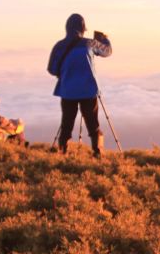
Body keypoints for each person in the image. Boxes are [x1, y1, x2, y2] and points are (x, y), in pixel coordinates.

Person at [47, 13, 113, 156]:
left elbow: (52, 69)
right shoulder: (90, 43)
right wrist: (104, 39)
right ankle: (98, 152)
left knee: (66, 124)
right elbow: (107, 51)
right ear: (82, 28)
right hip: (88, 90)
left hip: (67, 91)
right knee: (93, 124)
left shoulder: (59, 46)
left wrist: (65, 73)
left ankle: (62, 152)